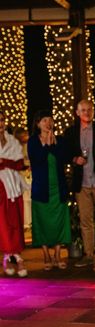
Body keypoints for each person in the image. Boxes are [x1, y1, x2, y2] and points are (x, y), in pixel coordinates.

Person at [63, 99, 95, 268]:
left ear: (93, 111)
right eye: (83, 110)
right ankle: (89, 255)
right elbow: (64, 152)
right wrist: (75, 159)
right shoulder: (70, 132)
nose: (87, 113)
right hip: (81, 183)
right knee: (86, 221)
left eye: (89, 109)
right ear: (77, 113)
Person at [27, 110, 71, 270]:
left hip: (58, 189)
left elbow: (64, 158)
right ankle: (46, 255)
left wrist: (54, 145)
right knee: (42, 223)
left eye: (50, 120)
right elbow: (37, 159)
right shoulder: (32, 141)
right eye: (44, 120)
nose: (48, 123)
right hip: (41, 190)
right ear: (38, 124)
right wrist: (45, 146)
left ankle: (58, 255)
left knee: (59, 223)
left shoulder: (59, 140)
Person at [0, 111, 29, 277]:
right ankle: (8, 256)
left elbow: (19, 163)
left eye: (2, 120)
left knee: (15, 221)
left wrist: (5, 162)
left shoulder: (12, 140)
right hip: (1, 186)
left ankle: (17, 255)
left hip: (13, 186)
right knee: (3, 223)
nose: (1, 123)